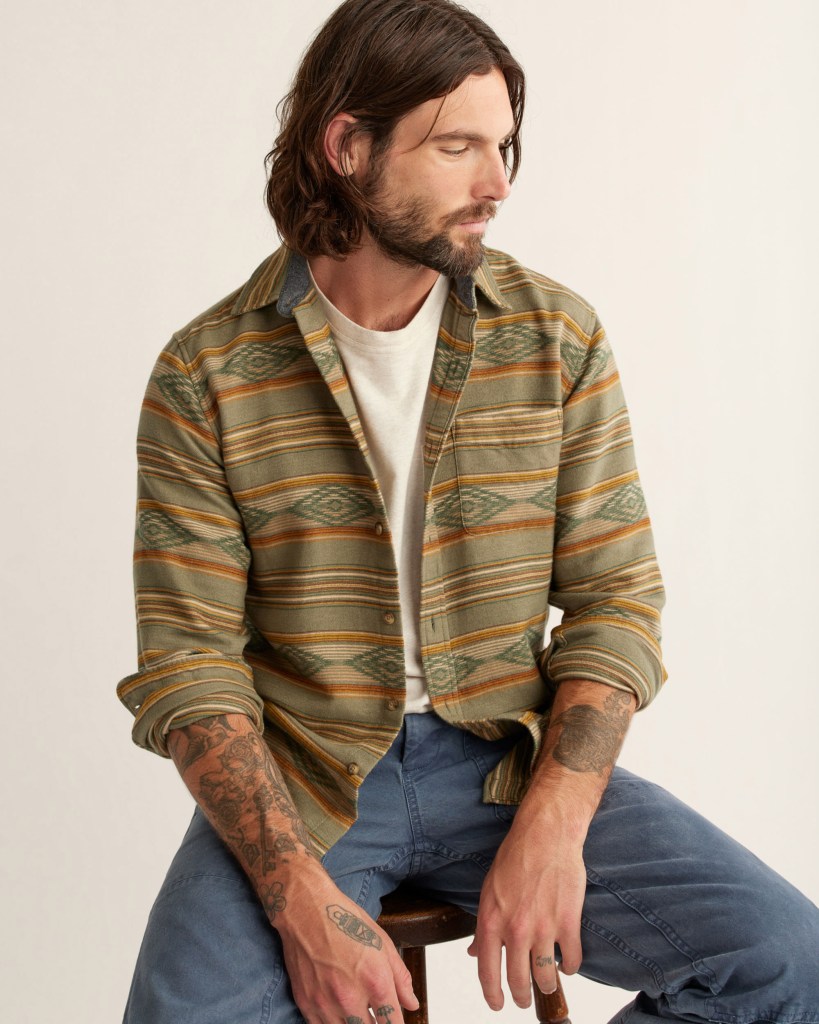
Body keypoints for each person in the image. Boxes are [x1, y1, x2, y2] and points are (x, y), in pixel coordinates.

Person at [117, 1, 819, 1022]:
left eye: (504, 146)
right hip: (308, 775)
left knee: (788, 961)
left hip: (504, 766)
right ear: (348, 146)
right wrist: (299, 899)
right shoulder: (206, 373)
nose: (497, 183)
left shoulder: (556, 338)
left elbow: (617, 601)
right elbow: (191, 668)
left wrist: (554, 822)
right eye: (457, 147)